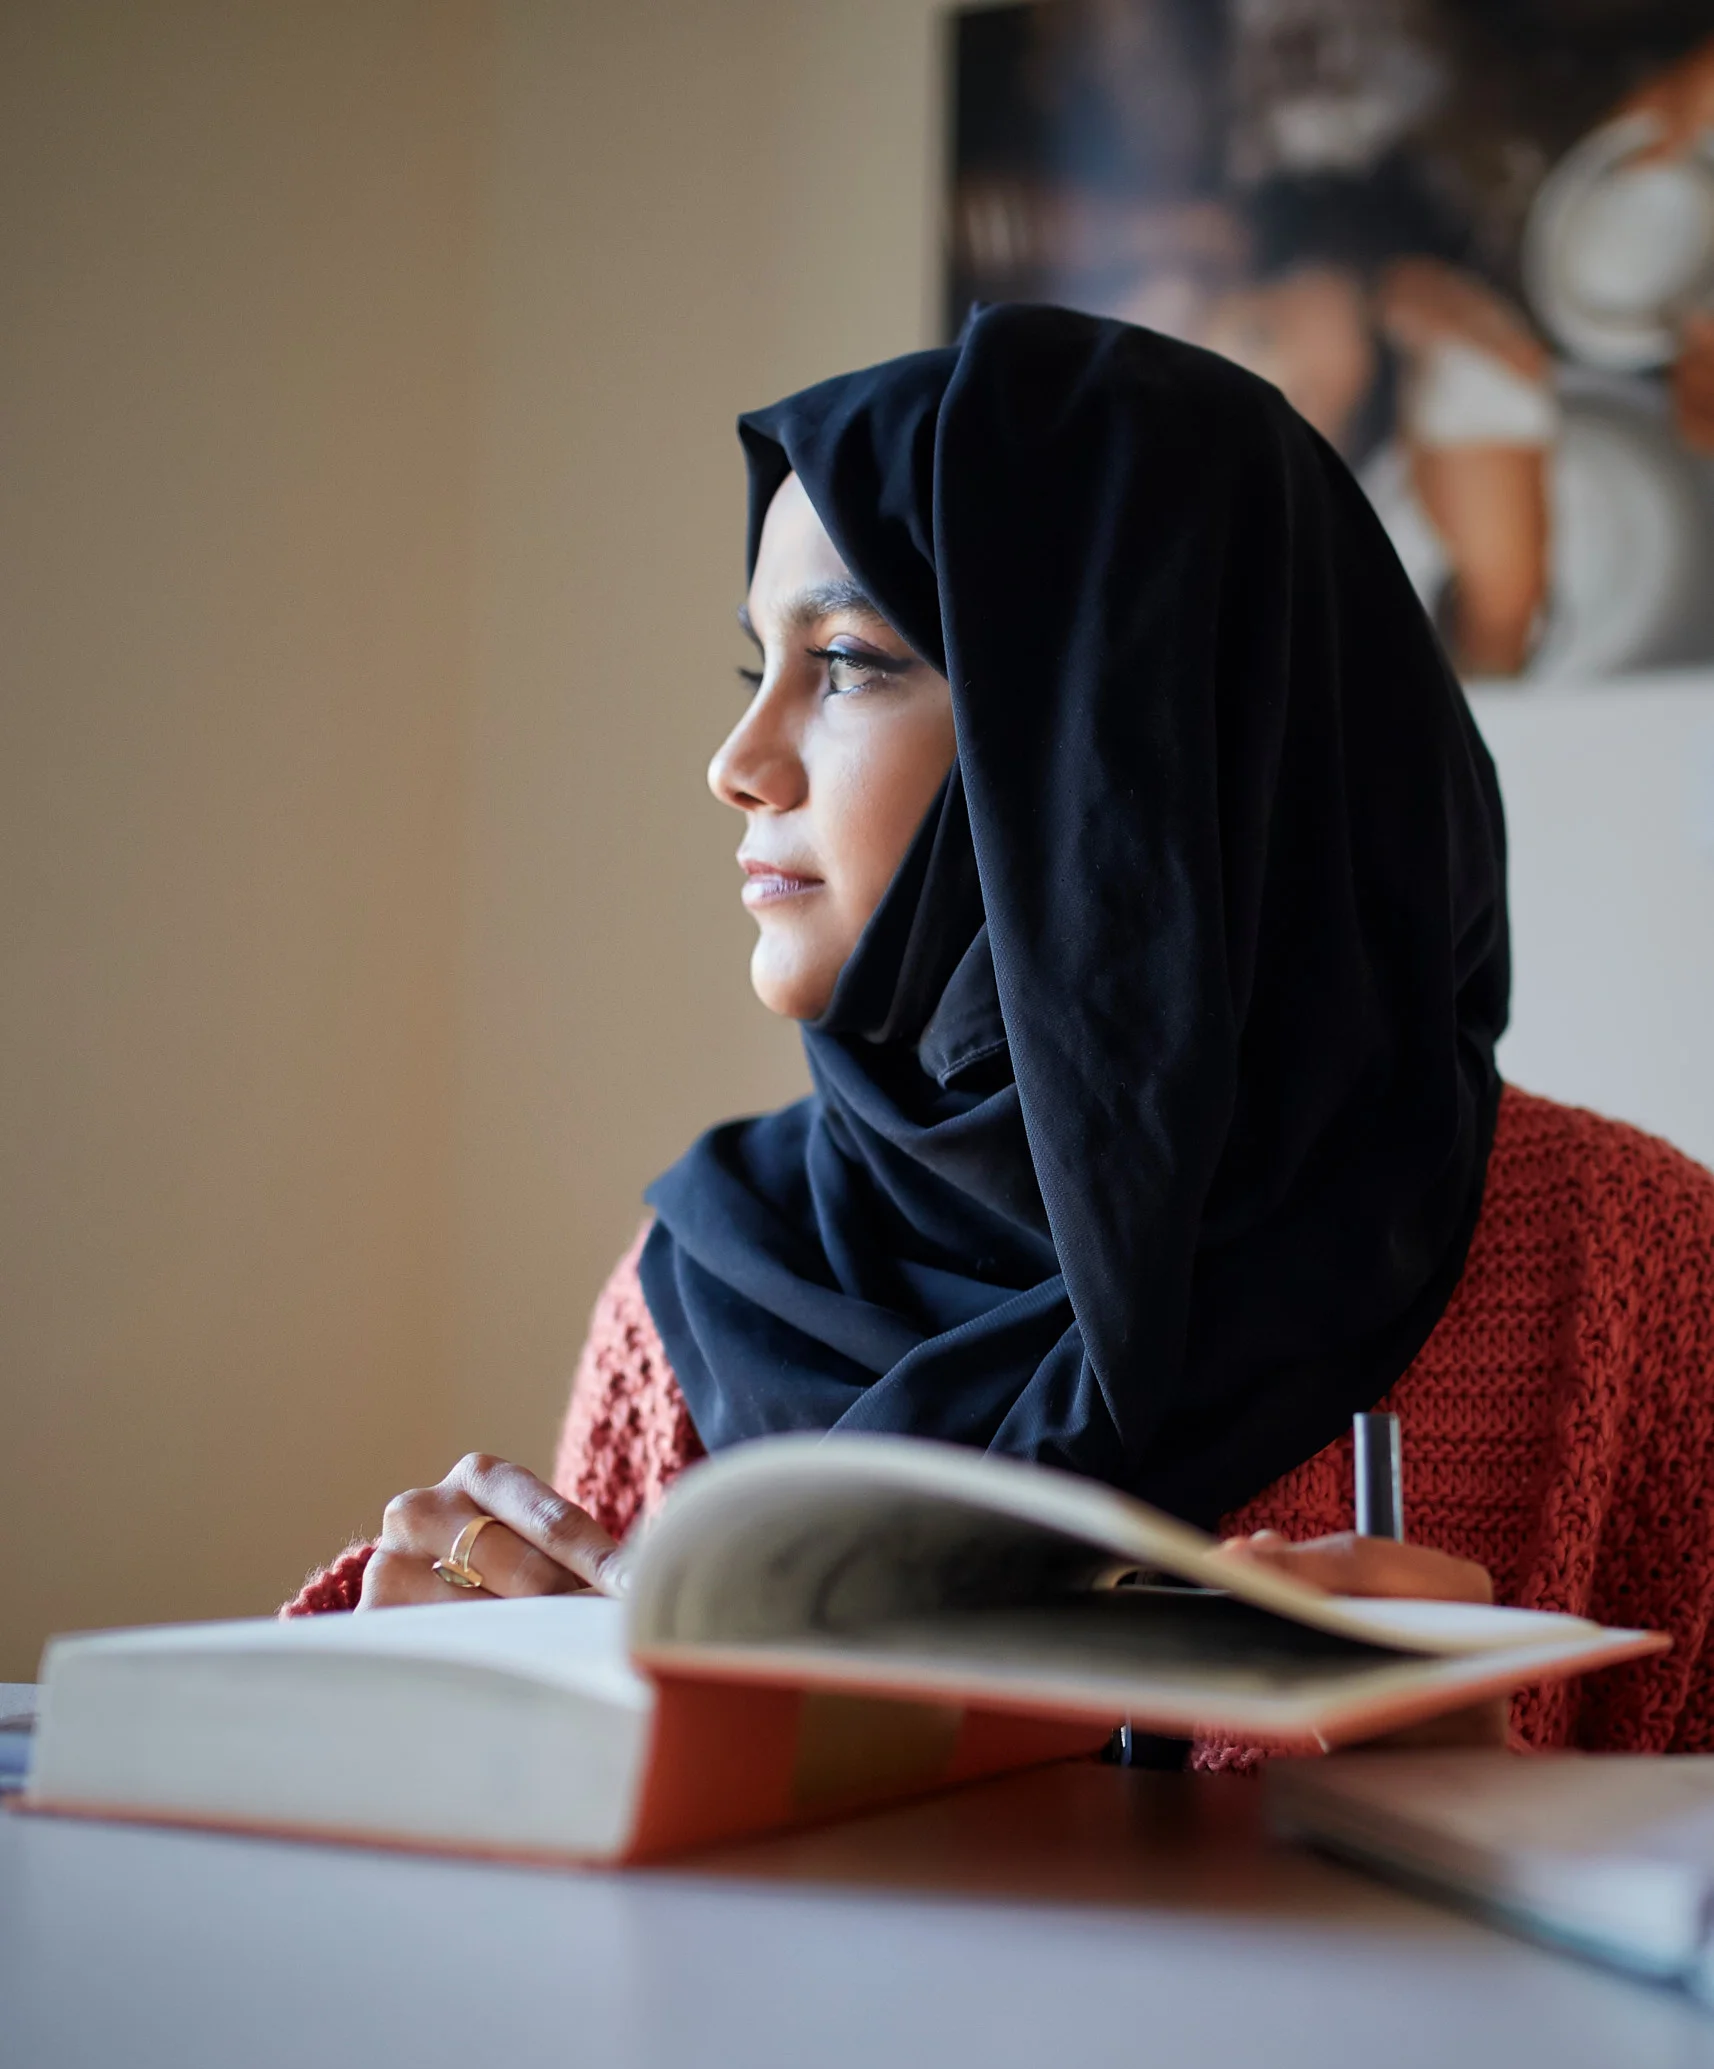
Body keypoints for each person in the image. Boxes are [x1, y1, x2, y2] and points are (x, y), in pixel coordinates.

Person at [286, 305, 1714, 1763]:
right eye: (753, 669)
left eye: (847, 660)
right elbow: (596, 1872)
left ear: (1127, 722)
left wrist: (1498, 1817)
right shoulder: (702, 1298)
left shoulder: (1634, 1276)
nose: (736, 762)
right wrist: (425, 1716)